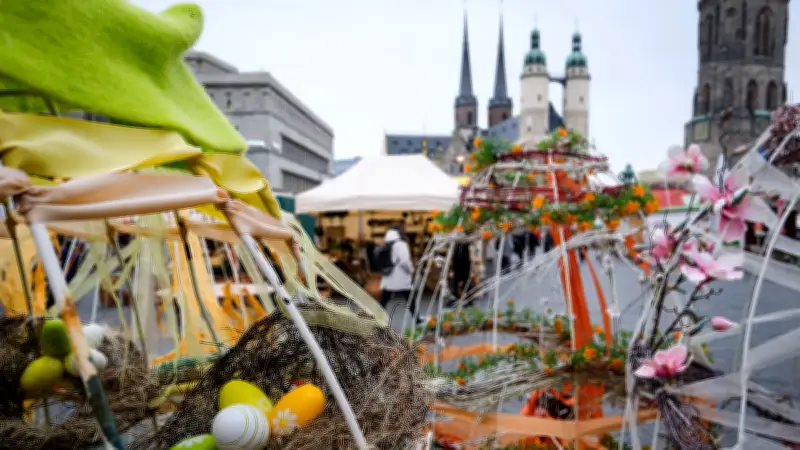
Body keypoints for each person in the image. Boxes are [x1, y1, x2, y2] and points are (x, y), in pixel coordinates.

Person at [379, 229, 420, 322]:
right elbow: (404, 262)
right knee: (410, 299)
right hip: (401, 276)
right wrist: (411, 270)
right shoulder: (401, 245)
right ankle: (417, 318)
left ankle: (377, 318)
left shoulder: (386, 245)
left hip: (388, 276)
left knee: (384, 299)